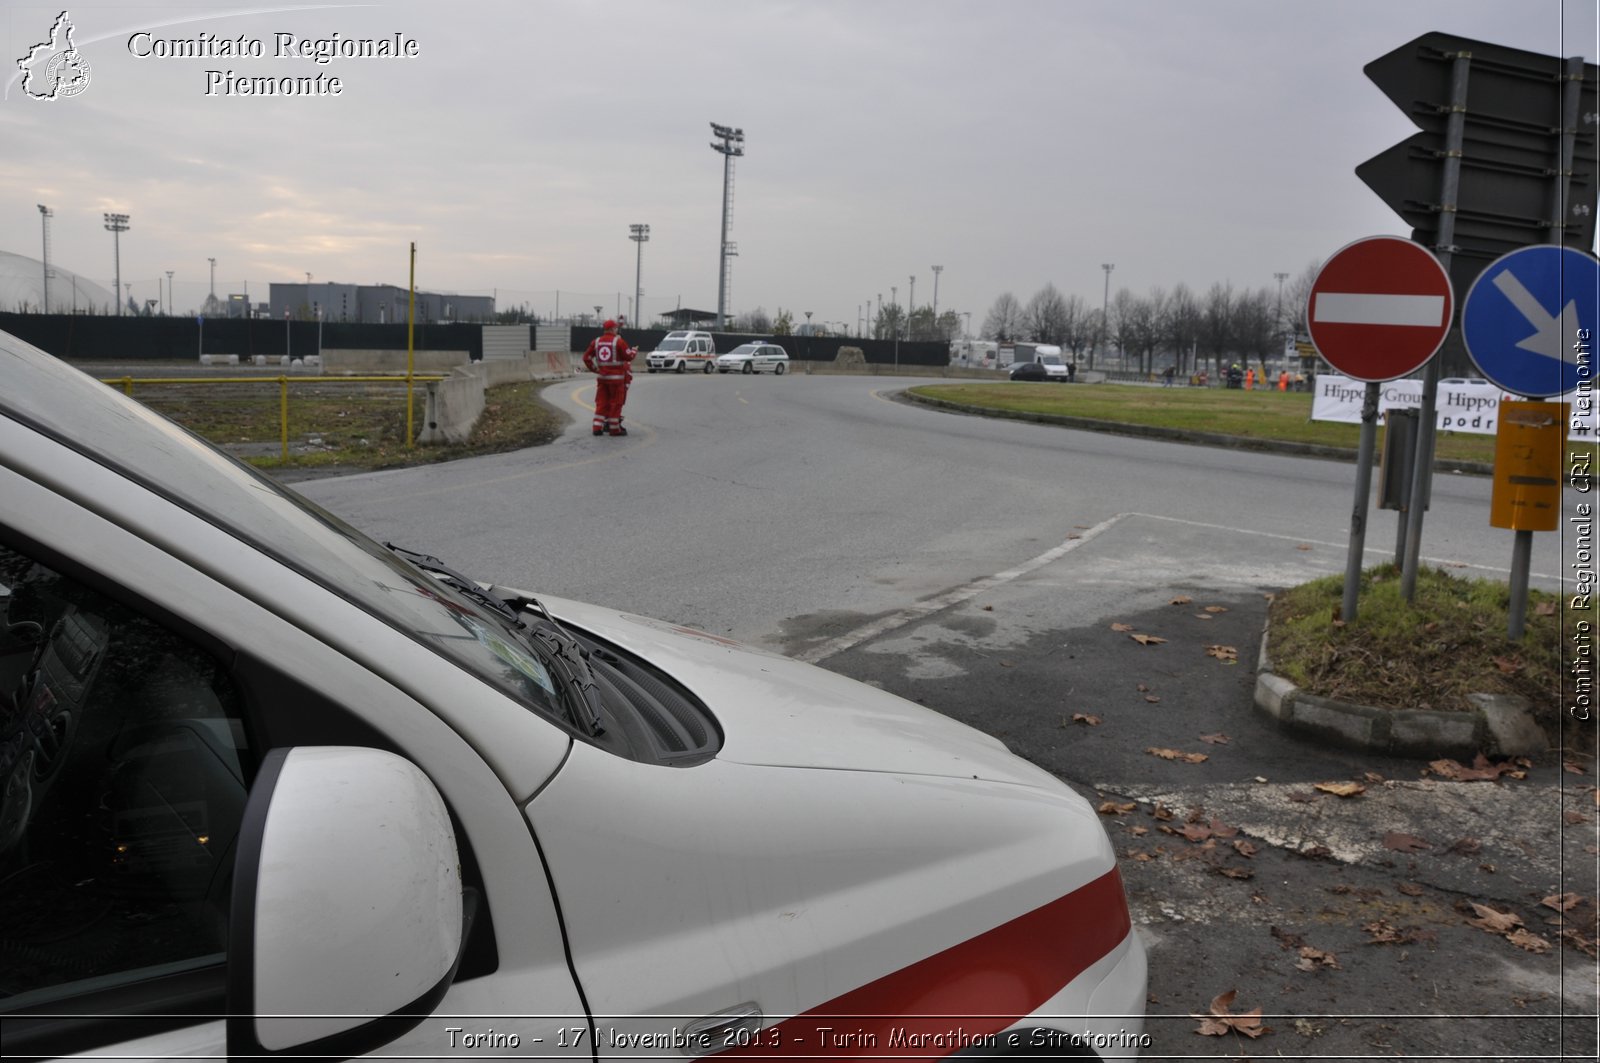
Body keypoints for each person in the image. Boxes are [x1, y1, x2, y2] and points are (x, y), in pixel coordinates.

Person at [582, 319, 635, 436]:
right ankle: (614, 429)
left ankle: (597, 427)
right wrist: (634, 351)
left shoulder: (596, 342)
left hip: (602, 378)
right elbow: (629, 357)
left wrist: (595, 369)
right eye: (616, 328)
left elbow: (586, 358)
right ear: (612, 329)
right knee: (616, 403)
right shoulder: (619, 342)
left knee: (601, 402)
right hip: (616, 380)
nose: (617, 330)